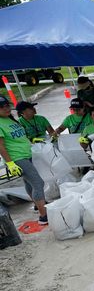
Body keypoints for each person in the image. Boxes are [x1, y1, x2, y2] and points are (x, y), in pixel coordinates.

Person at [0, 96, 47, 224]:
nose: (6, 108)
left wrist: (31, 141)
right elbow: (1, 146)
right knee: (38, 183)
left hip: (26, 154)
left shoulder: (11, 120)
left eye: (7, 105)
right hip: (17, 158)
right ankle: (44, 216)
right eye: (2, 107)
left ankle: (38, 205)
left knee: (29, 182)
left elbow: (19, 138)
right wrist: (10, 163)